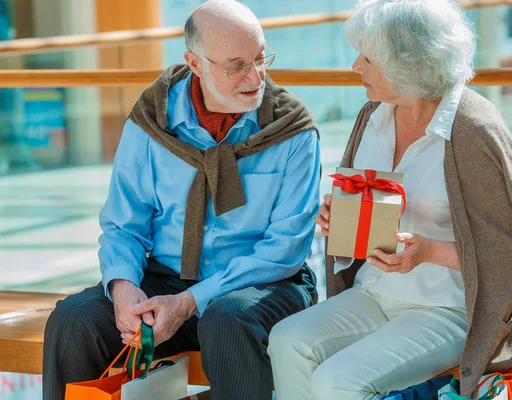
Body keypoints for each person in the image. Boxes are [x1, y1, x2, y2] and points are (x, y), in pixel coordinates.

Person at [268, 0, 512, 399]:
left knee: (336, 382)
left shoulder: (474, 130)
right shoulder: (372, 115)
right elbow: (362, 209)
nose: (355, 67)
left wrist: (429, 251)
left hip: (449, 310)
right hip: (373, 292)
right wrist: (342, 219)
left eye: (367, 58)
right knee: (286, 338)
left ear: (409, 63)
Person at [43, 1, 320, 399]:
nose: (255, 76)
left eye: (261, 59)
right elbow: (124, 225)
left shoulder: (291, 129)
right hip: (167, 278)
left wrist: (191, 302)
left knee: (226, 321)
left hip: (263, 284)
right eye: (236, 65)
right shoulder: (151, 121)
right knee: (74, 319)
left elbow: (284, 251)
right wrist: (124, 290)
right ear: (195, 64)